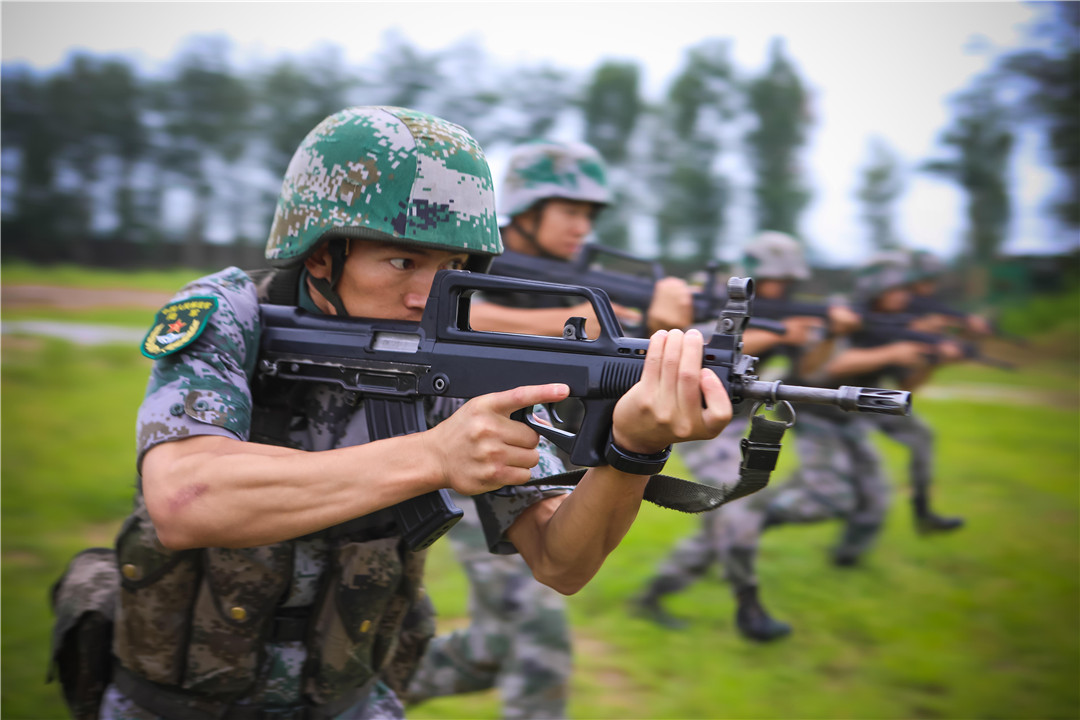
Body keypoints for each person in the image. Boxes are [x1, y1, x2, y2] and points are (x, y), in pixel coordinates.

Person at [63, 107, 731, 720]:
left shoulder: (462, 354)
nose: (426, 296)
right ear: (322, 253)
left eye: (452, 269)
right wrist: (434, 456)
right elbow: (185, 499)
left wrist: (632, 452)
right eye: (403, 260)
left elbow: (563, 562)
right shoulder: (231, 317)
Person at [404, 139, 693, 718]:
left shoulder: (569, 276)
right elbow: (427, 317)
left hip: (507, 457)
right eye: (570, 211)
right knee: (538, 635)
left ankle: (365, 681)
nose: (582, 227)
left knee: (495, 646)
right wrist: (569, 327)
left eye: (590, 215)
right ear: (528, 211)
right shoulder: (472, 259)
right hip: (431, 448)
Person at [630, 231, 862, 642]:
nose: (780, 289)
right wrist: (778, 333)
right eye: (773, 280)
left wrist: (827, 335)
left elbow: (809, 371)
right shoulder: (715, 298)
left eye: (787, 282)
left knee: (731, 519)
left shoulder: (788, 314)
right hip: (697, 421)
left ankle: (652, 595)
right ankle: (748, 606)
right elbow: (695, 347)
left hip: (738, 422)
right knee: (736, 510)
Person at [862, 248, 966, 534]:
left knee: (921, 434)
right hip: (826, 402)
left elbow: (905, 387)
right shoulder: (850, 313)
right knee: (865, 488)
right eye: (895, 289)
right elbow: (831, 368)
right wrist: (892, 351)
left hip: (868, 395)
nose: (904, 296)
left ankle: (923, 512)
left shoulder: (899, 322)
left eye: (905, 289)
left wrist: (935, 361)